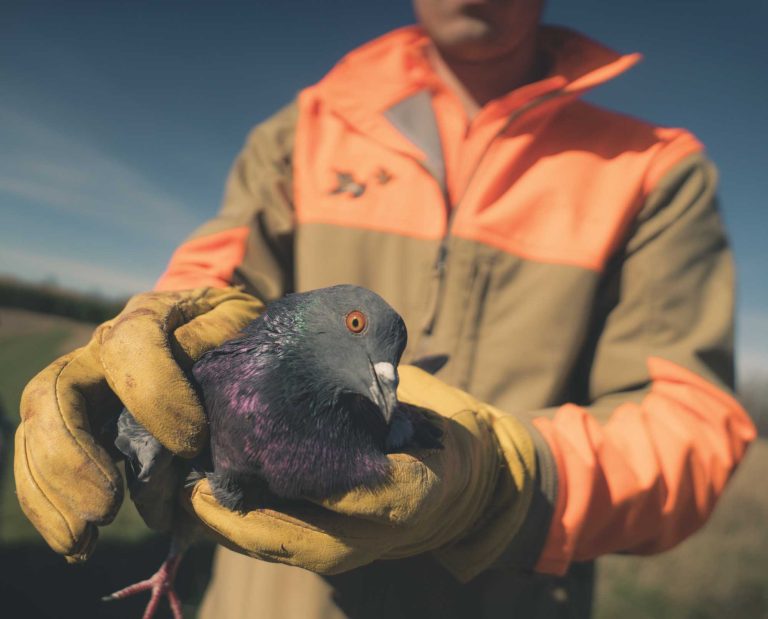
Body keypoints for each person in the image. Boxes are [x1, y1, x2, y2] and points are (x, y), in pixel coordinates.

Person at [15, 1, 756, 618]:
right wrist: (163, 327)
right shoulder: (307, 127)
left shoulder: (654, 168)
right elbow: (211, 281)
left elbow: (691, 426)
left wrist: (506, 481)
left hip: (503, 597)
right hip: (270, 596)